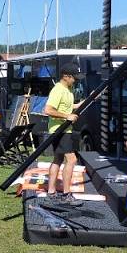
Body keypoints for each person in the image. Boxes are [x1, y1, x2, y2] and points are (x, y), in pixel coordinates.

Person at [44, 63, 84, 196]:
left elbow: (65, 105)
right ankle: (67, 193)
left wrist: (79, 105)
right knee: (72, 160)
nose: (76, 80)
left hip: (65, 129)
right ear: (66, 76)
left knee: (58, 159)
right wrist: (67, 116)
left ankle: (51, 191)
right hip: (59, 129)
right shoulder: (58, 90)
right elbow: (48, 110)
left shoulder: (68, 89)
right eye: (74, 78)